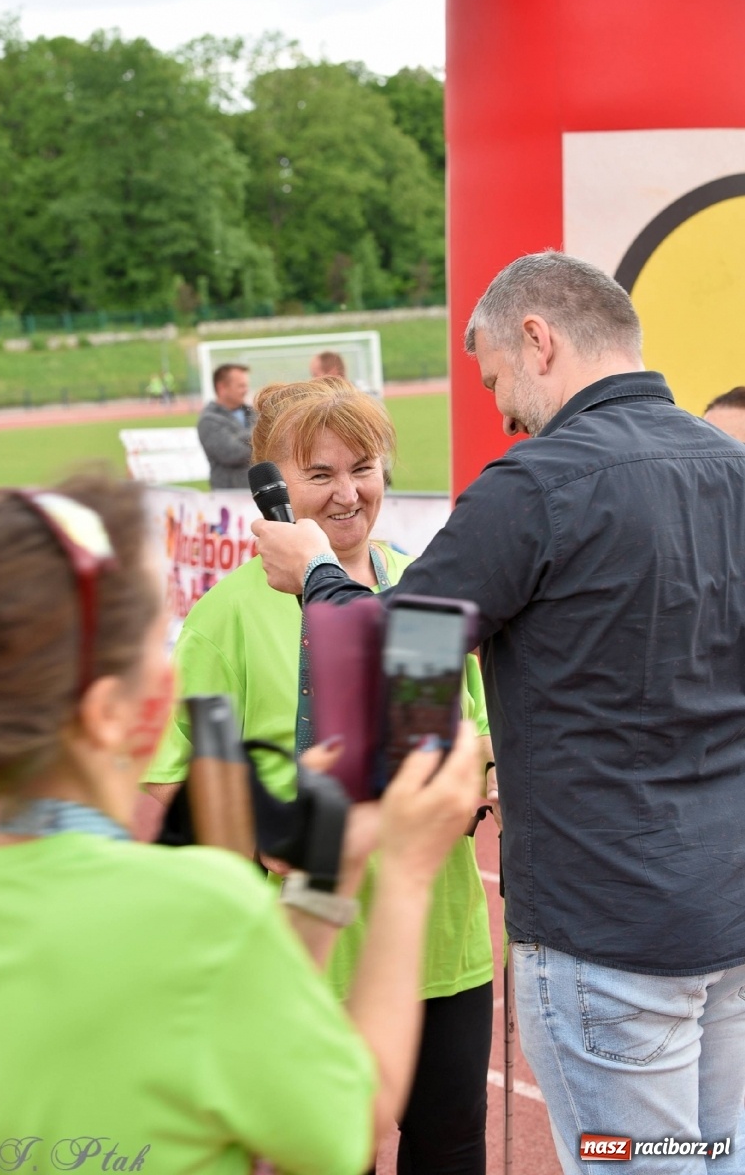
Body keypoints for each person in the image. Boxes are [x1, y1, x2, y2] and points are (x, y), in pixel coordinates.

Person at [252, 251, 745, 1175]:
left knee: (639, 1162)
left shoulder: (537, 482)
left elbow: (401, 662)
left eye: (491, 378)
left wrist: (315, 573)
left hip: (610, 932)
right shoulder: (730, 465)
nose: (500, 411)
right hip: (726, 910)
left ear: (536, 338)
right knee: (714, 1157)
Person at [0, 471, 481, 1175]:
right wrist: (406, 873)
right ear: (113, 713)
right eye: (152, 650)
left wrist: (328, 871)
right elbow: (344, 1127)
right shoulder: (200, 907)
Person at [146, 378, 497, 1175]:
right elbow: (174, 787)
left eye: (363, 468)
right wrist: (255, 837)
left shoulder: (421, 587)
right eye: (319, 475)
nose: (347, 494)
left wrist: (475, 771)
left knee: (450, 1153)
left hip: (440, 948)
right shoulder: (226, 616)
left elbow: (471, 732)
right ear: (271, 487)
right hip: (302, 956)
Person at [197, 363, 256, 488]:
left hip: (263, 496)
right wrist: (261, 437)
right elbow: (233, 454)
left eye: (246, 385)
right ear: (222, 388)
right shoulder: (208, 420)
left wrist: (239, 438)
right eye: (241, 386)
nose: (246, 390)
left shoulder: (253, 413)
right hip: (230, 500)